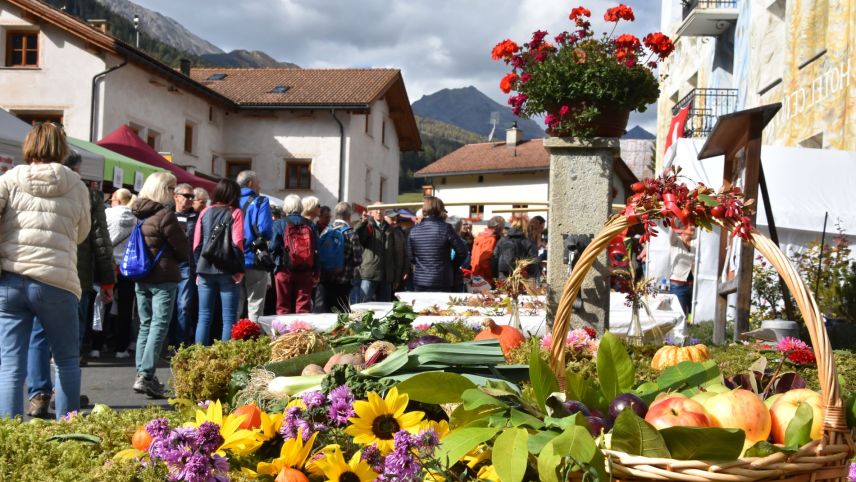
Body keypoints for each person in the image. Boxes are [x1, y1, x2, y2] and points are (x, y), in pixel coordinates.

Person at [0, 123, 90, 419]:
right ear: (61, 148)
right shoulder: (77, 185)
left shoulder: (9, 179)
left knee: (11, 365)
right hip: (57, 280)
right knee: (66, 361)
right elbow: (82, 233)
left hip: (12, 278)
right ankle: (68, 434)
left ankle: (9, 437)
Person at [25, 152, 115, 418]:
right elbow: (98, 237)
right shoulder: (87, 195)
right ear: (75, 170)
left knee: (38, 336)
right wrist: (108, 278)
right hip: (75, 275)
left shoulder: (25, 186)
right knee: (69, 340)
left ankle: (39, 394)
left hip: (35, 271)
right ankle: (65, 400)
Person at [131, 172, 189, 397]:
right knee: (158, 325)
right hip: (163, 277)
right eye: (171, 189)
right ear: (163, 190)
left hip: (141, 275)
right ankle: (145, 375)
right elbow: (182, 250)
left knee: (145, 325)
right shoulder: (165, 216)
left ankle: (143, 374)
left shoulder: (138, 213)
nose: (174, 194)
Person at [194, 179, 245, 345]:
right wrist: (239, 269)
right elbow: (237, 242)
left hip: (204, 267)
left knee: (203, 316)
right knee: (229, 318)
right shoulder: (236, 212)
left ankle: (199, 357)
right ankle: (224, 358)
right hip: (227, 269)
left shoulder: (205, 212)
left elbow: (196, 244)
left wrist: (197, 269)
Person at [406, 196, 466, 292]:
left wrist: (422, 264)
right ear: (440, 210)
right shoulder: (446, 228)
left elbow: (410, 256)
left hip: (421, 280)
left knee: (422, 306)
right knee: (442, 307)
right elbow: (462, 252)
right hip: (442, 279)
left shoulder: (414, 231)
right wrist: (452, 265)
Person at [104, 188, 136, 359]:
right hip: (127, 267)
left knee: (102, 306)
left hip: (108, 265)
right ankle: (121, 347)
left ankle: (98, 344)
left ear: (116, 199)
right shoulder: (135, 218)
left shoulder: (107, 214)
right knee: (125, 309)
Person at [272, 194, 318, 314]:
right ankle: (301, 331)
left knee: (283, 306)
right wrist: (316, 271)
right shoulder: (310, 224)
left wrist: (275, 265)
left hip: (284, 269)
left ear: (286, 207)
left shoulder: (279, 223)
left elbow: (273, 247)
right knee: (303, 307)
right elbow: (316, 249)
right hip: (305, 269)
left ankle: (283, 332)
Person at [236, 171, 273, 322]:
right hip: (254, 258)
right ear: (251, 183)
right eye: (258, 183)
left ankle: (232, 341)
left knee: (235, 306)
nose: (260, 186)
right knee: (255, 305)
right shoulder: (260, 201)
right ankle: (254, 341)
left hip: (234, 259)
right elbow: (264, 229)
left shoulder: (232, 201)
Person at [319, 202, 363, 312]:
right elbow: (358, 260)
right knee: (341, 313)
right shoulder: (351, 233)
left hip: (326, 278)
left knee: (326, 311)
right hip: (343, 279)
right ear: (349, 216)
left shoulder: (326, 230)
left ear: (335, 214)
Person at [171, 183, 199, 346]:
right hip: (168, 265)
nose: (189, 200)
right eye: (186, 196)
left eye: (191, 197)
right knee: (168, 306)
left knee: (183, 305)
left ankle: (180, 343)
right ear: (176, 196)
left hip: (187, 265)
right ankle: (168, 341)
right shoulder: (168, 214)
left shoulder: (196, 218)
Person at [493, 215, 538, 280]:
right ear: (525, 227)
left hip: (503, 278)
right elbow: (534, 263)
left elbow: (494, 260)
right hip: (522, 278)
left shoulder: (502, 240)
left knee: (505, 290)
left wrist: (496, 276)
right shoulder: (528, 242)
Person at [669, 224, 697, 316]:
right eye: (691, 225)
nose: (693, 227)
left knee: (691, 314)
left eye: (694, 226)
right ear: (683, 229)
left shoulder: (695, 244)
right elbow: (671, 231)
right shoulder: (676, 241)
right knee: (678, 313)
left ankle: (690, 329)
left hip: (692, 284)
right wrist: (675, 219)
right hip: (678, 284)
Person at [471, 216, 505, 285]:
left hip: (476, 274)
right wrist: (492, 276)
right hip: (485, 278)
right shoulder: (490, 239)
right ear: (499, 227)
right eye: (503, 227)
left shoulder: (481, 236)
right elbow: (484, 260)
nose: (503, 229)